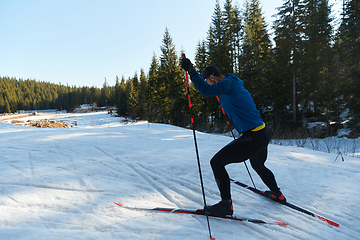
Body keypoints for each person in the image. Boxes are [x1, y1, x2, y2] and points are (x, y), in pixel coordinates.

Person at [181, 57, 286, 218]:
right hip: (262, 132)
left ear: (212, 77)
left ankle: (226, 206)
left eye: (207, 81)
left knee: (216, 162)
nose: (208, 84)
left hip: (255, 136)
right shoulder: (229, 85)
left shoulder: (228, 84)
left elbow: (205, 90)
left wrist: (191, 71)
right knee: (258, 164)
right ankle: (277, 194)